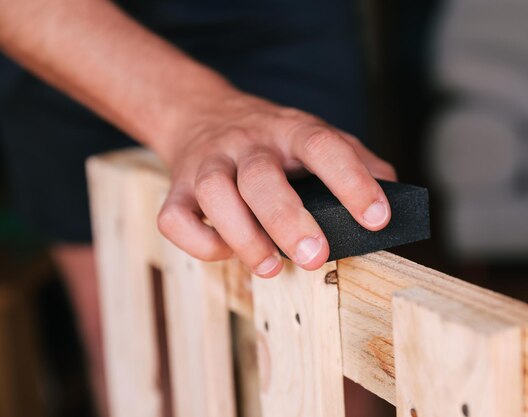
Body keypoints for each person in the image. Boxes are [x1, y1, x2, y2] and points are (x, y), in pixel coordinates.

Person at [0, 0, 396, 415]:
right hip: (66, 28)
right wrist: (201, 114)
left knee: (329, 357)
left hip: (278, 20)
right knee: (138, 349)